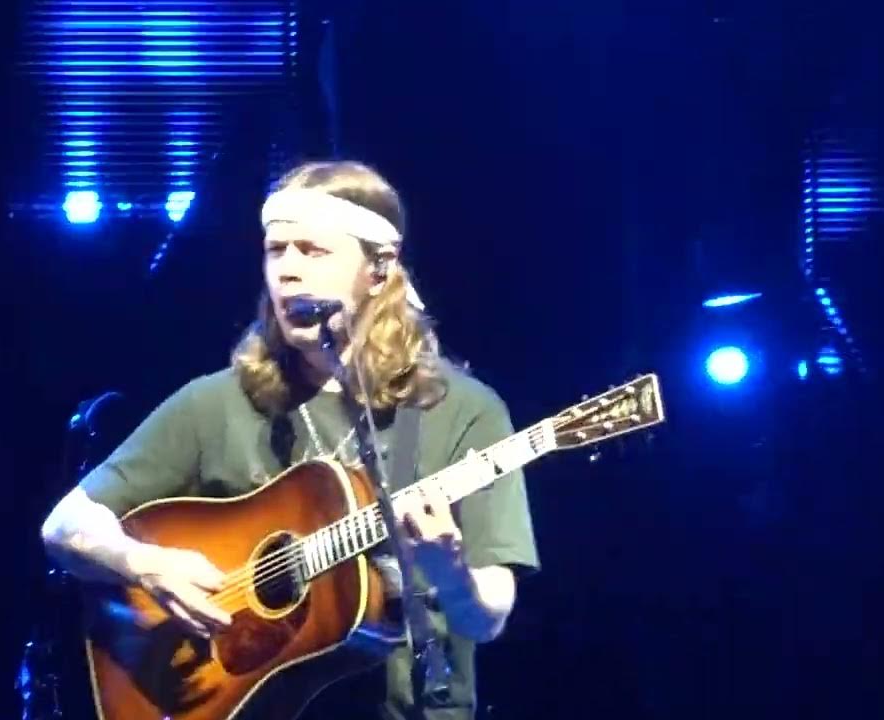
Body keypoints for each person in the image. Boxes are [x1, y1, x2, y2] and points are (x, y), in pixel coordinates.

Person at [40, 159, 540, 720]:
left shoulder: (464, 411)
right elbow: (64, 525)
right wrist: (141, 563)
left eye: (314, 251)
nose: (288, 272)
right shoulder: (217, 403)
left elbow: (487, 619)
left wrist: (450, 574)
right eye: (277, 251)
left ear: (379, 269)